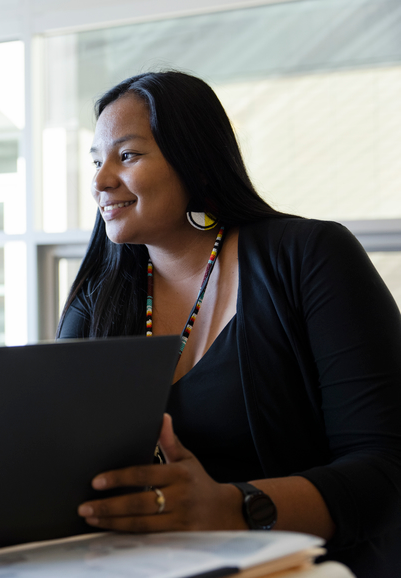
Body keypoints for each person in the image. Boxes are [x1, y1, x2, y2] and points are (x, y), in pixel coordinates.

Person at [57, 70, 401, 576]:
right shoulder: (98, 300)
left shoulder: (309, 257)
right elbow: (58, 462)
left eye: (127, 155)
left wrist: (232, 507)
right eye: (96, 161)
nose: (101, 179)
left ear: (194, 160)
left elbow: (387, 469)